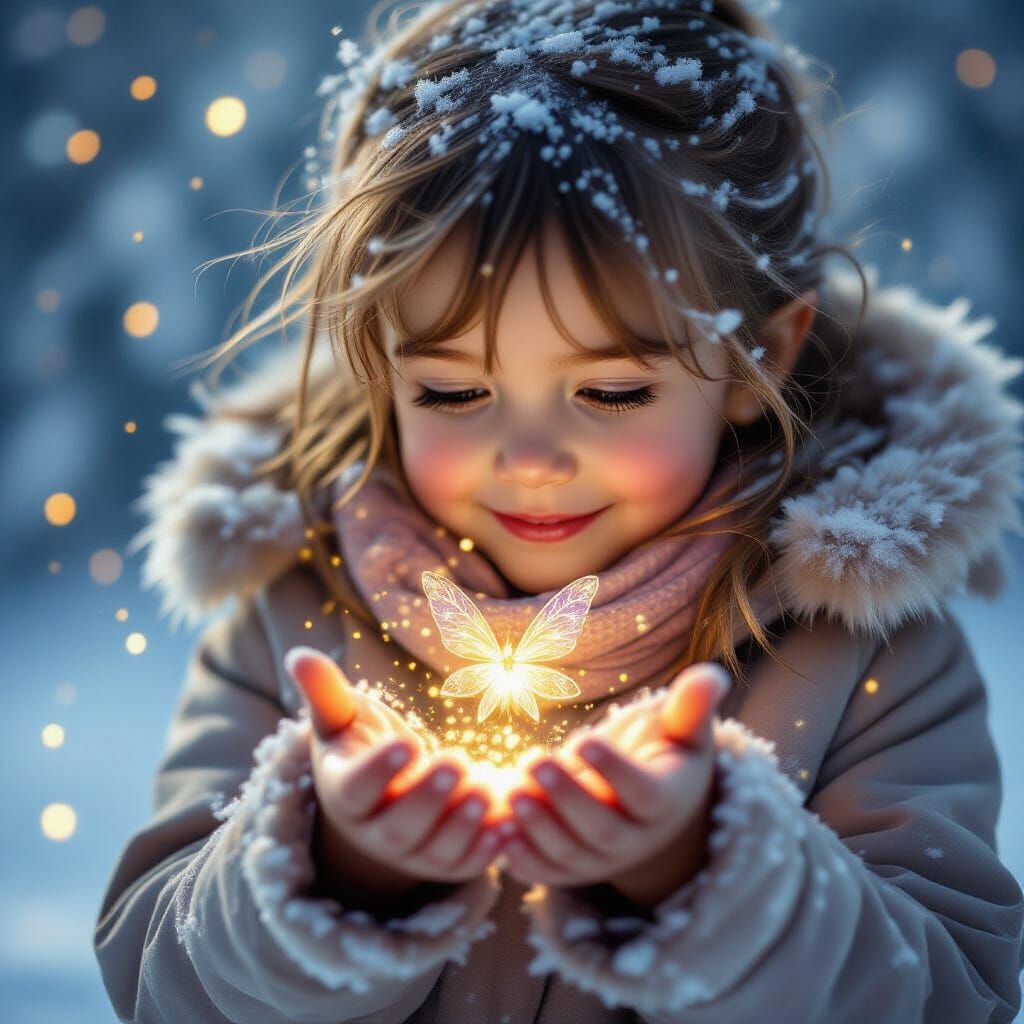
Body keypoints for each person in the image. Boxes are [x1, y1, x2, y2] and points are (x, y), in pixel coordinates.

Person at [94, 0, 1024, 1020]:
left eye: (611, 392)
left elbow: (946, 994)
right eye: (453, 393)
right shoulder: (297, 614)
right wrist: (335, 868)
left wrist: (707, 871)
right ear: (377, 367)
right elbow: (160, 980)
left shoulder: (859, 656)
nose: (529, 461)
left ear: (759, 356)